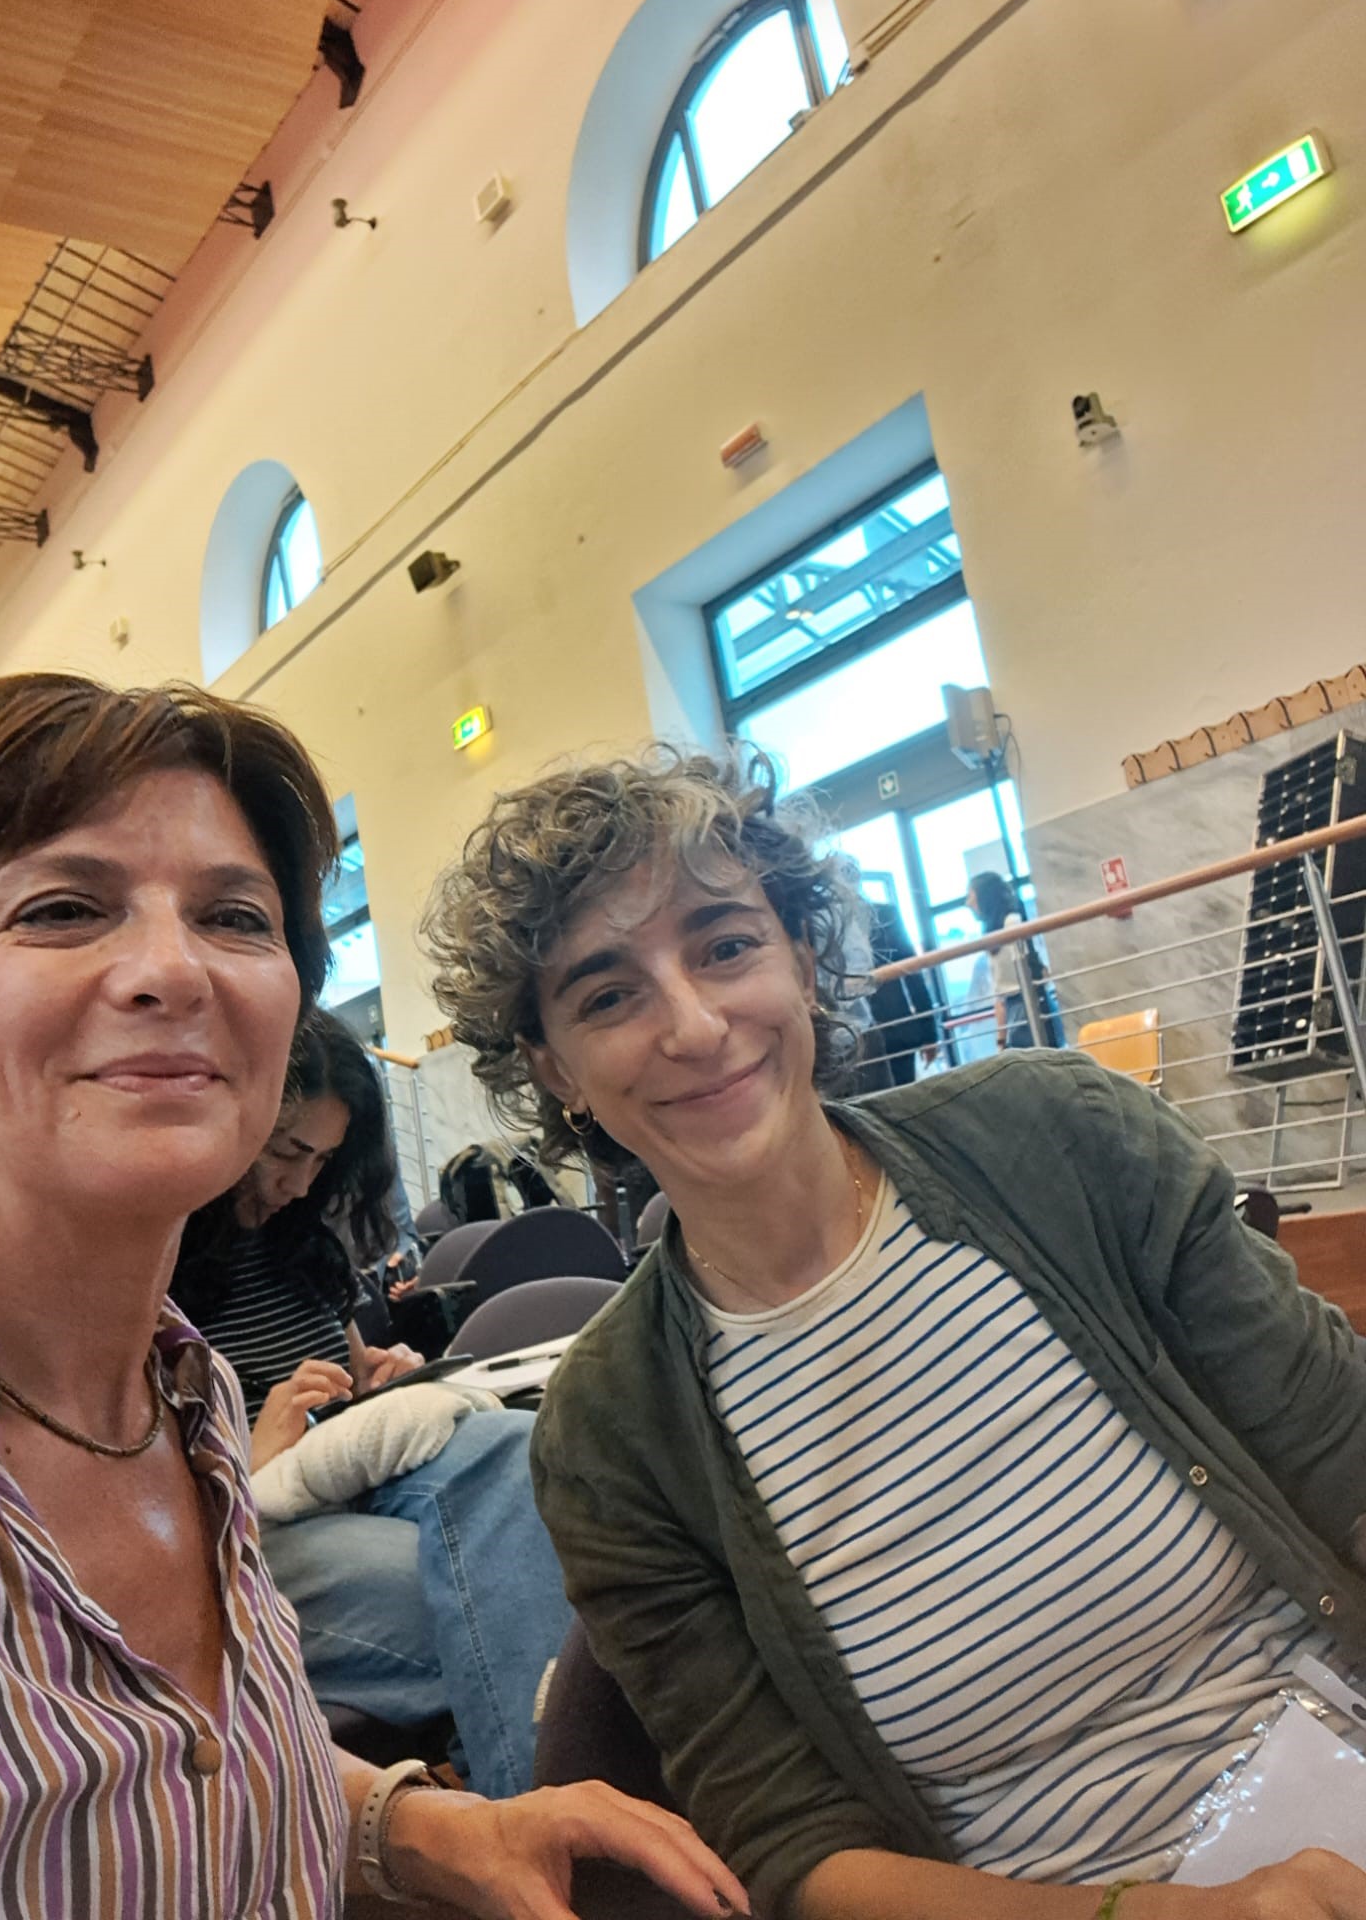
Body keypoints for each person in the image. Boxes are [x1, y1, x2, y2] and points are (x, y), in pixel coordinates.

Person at [0, 675, 750, 1920]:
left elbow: (199, 1764)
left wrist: (424, 1826)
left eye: (235, 917)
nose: (174, 968)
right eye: (62, 908)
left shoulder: (187, 1388)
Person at [423, 742, 1366, 1920]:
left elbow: (1346, 1455)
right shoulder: (610, 1436)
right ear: (554, 1066)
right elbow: (793, 1845)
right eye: (609, 995)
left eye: (726, 945)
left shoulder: (1060, 1138)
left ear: (802, 956)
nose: (697, 1024)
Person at [174, 1006, 573, 1797]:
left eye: (323, 1161)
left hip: (339, 1479)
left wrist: (377, 1376)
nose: (299, 1184)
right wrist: (247, 1450)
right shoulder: (153, 1261)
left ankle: (549, 1800)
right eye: (286, 1152)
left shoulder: (299, 1241)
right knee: (492, 1598)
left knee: (510, 1451)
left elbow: (342, 1369)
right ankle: (552, 1817)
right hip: (234, 1522)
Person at [967, 868, 1065, 1050]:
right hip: (1017, 1007)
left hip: (1029, 1002)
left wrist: (1001, 1041)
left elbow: (1028, 969)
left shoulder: (1011, 923)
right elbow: (1000, 994)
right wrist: (1001, 1040)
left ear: (984, 896)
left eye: (971, 896)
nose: (968, 903)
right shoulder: (993, 931)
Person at [862, 898, 940, 1085]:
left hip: (871, 1033)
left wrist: (929, 1032)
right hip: (895, 1027)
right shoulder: (884, 914)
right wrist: (929, 1032)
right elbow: (913, 975)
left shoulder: (825, 920)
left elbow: (913, 974)